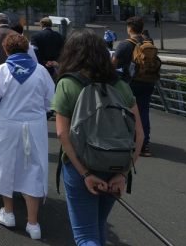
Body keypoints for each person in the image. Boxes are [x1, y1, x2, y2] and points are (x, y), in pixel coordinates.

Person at [51, 29, 144, 246]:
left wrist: (85, 174)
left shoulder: (67, 84)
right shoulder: (120, 86)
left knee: (85, 235)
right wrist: (124, 173)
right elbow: (139, 134)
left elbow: (62, 134)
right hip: (116, 165)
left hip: (80, 165)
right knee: (99, 225)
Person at [0, 33, 55, 240]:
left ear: (7, 51)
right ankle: (33, 223)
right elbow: (50, 102)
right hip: (35, 127)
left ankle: (9, 213)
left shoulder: (2, 70)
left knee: (6, 166)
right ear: (27, 49)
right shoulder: (41, 71)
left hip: (8, 125)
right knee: (33, 169)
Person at [111, 17, 158, 157]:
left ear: (129, 29)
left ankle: (127, 140)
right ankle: (144, 145)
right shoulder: (149, 44)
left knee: (123, 112)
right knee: (143, 113)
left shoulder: (125, 45)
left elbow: (113, 65)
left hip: (128, 84)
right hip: (148, 83)